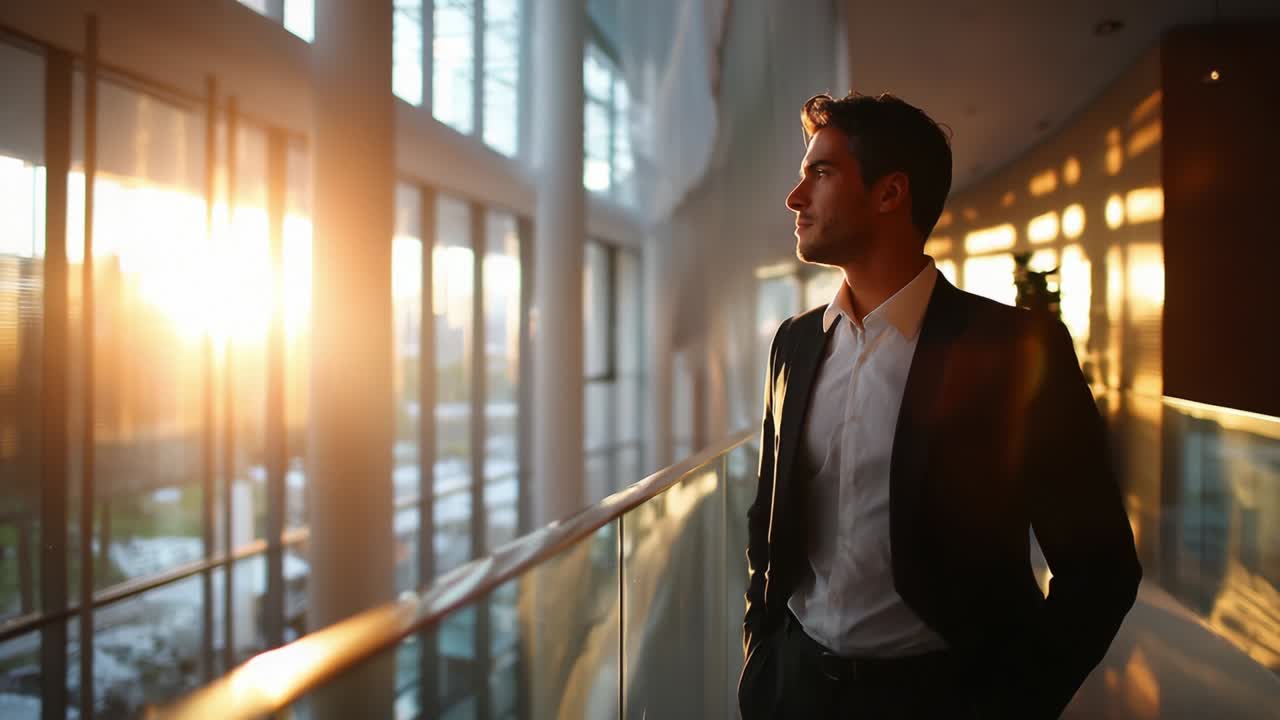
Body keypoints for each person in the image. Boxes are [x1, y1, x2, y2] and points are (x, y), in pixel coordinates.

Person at [737, 92, 1141, 719]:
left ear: (890, 193)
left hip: (939, 696)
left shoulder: (1011, 350)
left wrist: (1013, 705)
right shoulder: (794, 344)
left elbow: (1101, 569)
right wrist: (761, 660)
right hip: (797, 688)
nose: (796, 198)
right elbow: (767, 519)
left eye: (820, 173)